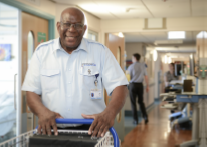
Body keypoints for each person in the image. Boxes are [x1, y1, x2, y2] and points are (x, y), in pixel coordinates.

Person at [22, 7, 128, 137]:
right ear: (58, 26)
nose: (71, 29)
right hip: (51, 129)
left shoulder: (100, 52)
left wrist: (110, 113)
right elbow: (31, 91)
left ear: (84, 29)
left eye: (77, 25)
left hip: (93, 130)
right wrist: (42, 112)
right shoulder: (42, 52)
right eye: (67, 24)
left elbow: (120, 86)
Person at [127, 53, 149, 125]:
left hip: (133, 85)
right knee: (141, 102)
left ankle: (135, 120)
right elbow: (146, 76)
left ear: (135, 58)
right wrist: (147, 86)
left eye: (133, 58)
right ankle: (145, 116)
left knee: (133, 103)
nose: (132, 59)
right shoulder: (143, 66)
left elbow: (128, 77)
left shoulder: (131, 67)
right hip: (140, 85)